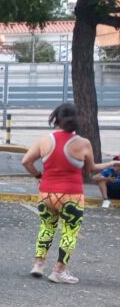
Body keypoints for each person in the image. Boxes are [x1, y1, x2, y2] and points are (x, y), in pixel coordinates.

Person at [21, 103, 102, 284]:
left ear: (55, 118)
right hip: (72, 195)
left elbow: (26, 161)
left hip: (47, 194)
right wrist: (112, 165)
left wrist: (38, 175)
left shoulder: (44, 140)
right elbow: (92, 169)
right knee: (69, 232)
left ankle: (38, 264)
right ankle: (58, 271)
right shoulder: (83, 143)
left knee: (46, 227)